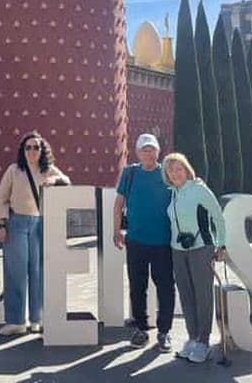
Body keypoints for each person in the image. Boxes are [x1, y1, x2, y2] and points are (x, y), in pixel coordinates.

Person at [0, 132, 70, 336]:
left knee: (37, 272)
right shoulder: (14, 170)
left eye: (36, 147)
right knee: (16, 272)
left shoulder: (48, 170)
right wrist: (1, 225)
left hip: (39, 224)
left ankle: (37, 319)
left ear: (42, 150)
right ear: (22, 150)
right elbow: (1, 198)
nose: (32, 151)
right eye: (28, 147)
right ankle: (16, 321)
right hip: (16, 222)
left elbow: (67, 180)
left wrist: (54, 181)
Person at [112, 133, 174, 351]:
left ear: (158, 152)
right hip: (136, 241)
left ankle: (164, 331)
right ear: (137, 152)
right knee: (137, 287)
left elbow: (184, 188)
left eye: (152, 149)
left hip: (163, 242)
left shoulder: (167, 172)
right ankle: (140, 329)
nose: (148, 153)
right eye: (144, 149)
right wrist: (116, 230)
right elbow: (119, 203)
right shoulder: (129, 173)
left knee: (165, 286)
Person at [163, 152, 226, 364]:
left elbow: (217, 215)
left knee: (203, 295)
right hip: (177, 250)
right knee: (186, 295)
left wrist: (221, 244)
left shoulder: (198, 189)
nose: (175, 173)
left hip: (201, 248)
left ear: (186, 170)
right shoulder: (173, 193)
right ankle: (192, 338)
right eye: (170, 171)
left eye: (178, 169)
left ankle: (204, 342)